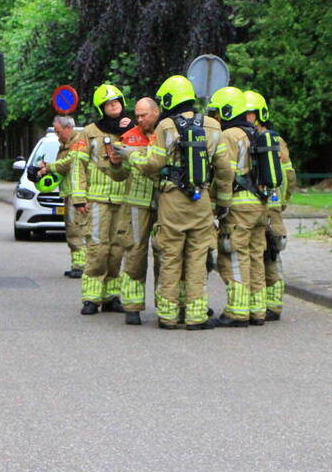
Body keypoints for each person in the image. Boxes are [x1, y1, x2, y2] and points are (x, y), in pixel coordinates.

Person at [125, 75, 232, 330]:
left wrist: (132, 157)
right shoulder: (212, 126)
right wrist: (222, 204)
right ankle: (195, 317)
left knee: (171, 258)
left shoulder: (165, 127)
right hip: (201, 201)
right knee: (197, 259)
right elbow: (225, 170)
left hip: (172, 201)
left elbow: (154, 164)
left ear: (170, 99)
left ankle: (168, 316)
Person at [71, 84, 134, 315]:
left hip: (124, 199)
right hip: (96, 200)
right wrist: (79, 198)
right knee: (98, 249)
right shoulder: (88, 132)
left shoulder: (130, 128)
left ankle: (110, 295)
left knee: (117, 250)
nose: (114, 105)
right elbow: (78, 165)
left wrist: (133, 129)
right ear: (101, 108)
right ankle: (91, 297)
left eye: (117, 101)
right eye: (109, 103)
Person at [209, 86, 268, 328]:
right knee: (256, 256)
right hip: (260, 205)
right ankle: (257, 309)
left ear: (226, 110)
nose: (216, 118)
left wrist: (217, 205)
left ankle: (237, 311)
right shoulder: (256, 133)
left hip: (239, 206)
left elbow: (225, 174)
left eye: (218, 113)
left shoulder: (230, 136)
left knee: (234, 255)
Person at [244, 90, 296, 321]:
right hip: (269, 204)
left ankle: (271, 304)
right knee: (266, 254)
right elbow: (289, 177)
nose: (247, 117)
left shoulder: (257, 140)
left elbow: (288, 176)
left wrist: (279, 204)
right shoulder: (274, 140)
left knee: (268, 254)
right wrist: (280, 202)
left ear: (259, 115)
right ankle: (269, 304)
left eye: (250, 114)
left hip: (264, 204)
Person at [115, 97, 160, 325]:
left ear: (156, 112)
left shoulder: (165, 133)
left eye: (144, 115)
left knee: (165, 254)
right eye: (137, 115)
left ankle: (167, 306)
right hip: (137, 204)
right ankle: (132, 306)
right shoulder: (129, 136)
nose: (140, 119)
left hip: (164, 203)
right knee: (134, 253)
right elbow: (120, 174)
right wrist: (115, 162)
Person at [39, 116, 88, 278]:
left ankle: (81, 267)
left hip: (77, 194)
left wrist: (49, 167)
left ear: (68, 128)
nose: (58, 135)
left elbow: (68, 163)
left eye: (59, 132)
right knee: (71, 230)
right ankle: (76, 264)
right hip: (69, 194)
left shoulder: (78, 143)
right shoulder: (65, 144)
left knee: (76, 230)